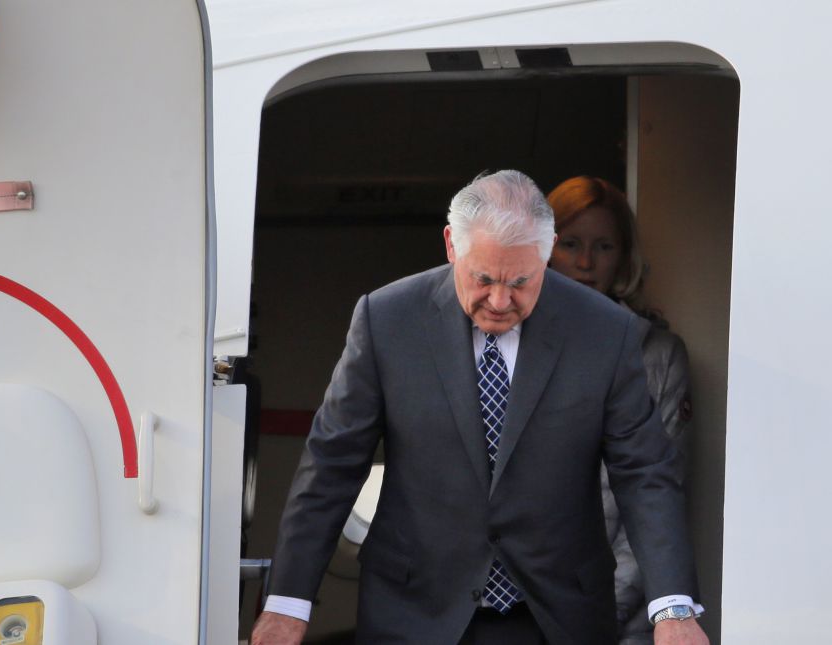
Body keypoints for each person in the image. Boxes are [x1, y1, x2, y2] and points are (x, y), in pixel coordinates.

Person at [251, 170, 707, 645]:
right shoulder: (386, 320)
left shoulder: (606, 332)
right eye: (484, 278)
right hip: (414, 613)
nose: (500, 300)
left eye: (521, 282)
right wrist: (288, 605)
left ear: (547, 251)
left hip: (555, 616)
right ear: (452, 245)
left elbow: (645, 473)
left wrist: (672, 608)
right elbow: (332, 465)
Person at [547, 176, 693, 644]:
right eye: (570, 244)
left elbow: (654, 497)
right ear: (543, 250)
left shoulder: (659, 356)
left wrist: (596, 613)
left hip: (618, 622)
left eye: (603, 246)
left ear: (623, 257)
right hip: (522, 614)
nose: (586, 263)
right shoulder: (505, 345)